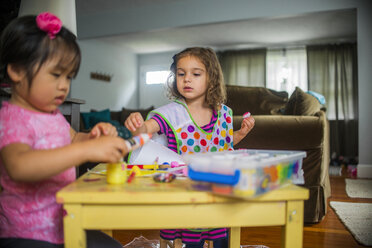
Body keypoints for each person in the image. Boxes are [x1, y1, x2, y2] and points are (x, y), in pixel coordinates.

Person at [0, 13, 127, 248]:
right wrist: (86, 150)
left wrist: (92, 136)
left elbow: (74, 138)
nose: (64, 86)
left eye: (69, 77)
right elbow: (19, 166)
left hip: (63, 225)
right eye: (56, 75)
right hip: (25, 234)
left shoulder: (53, 116)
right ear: (16, 70)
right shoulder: (12, 118)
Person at [124, 47, 255, 248]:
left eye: (196, 74)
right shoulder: (172, 113)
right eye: (181, 73)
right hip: (183, 196)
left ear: (211, 78)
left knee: (218, 239)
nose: (186, 79)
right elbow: (145, 131)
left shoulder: (224, 113)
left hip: (216, 192)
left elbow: (222, 144)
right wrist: (137, 124)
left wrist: (240, 134)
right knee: (185, 241)